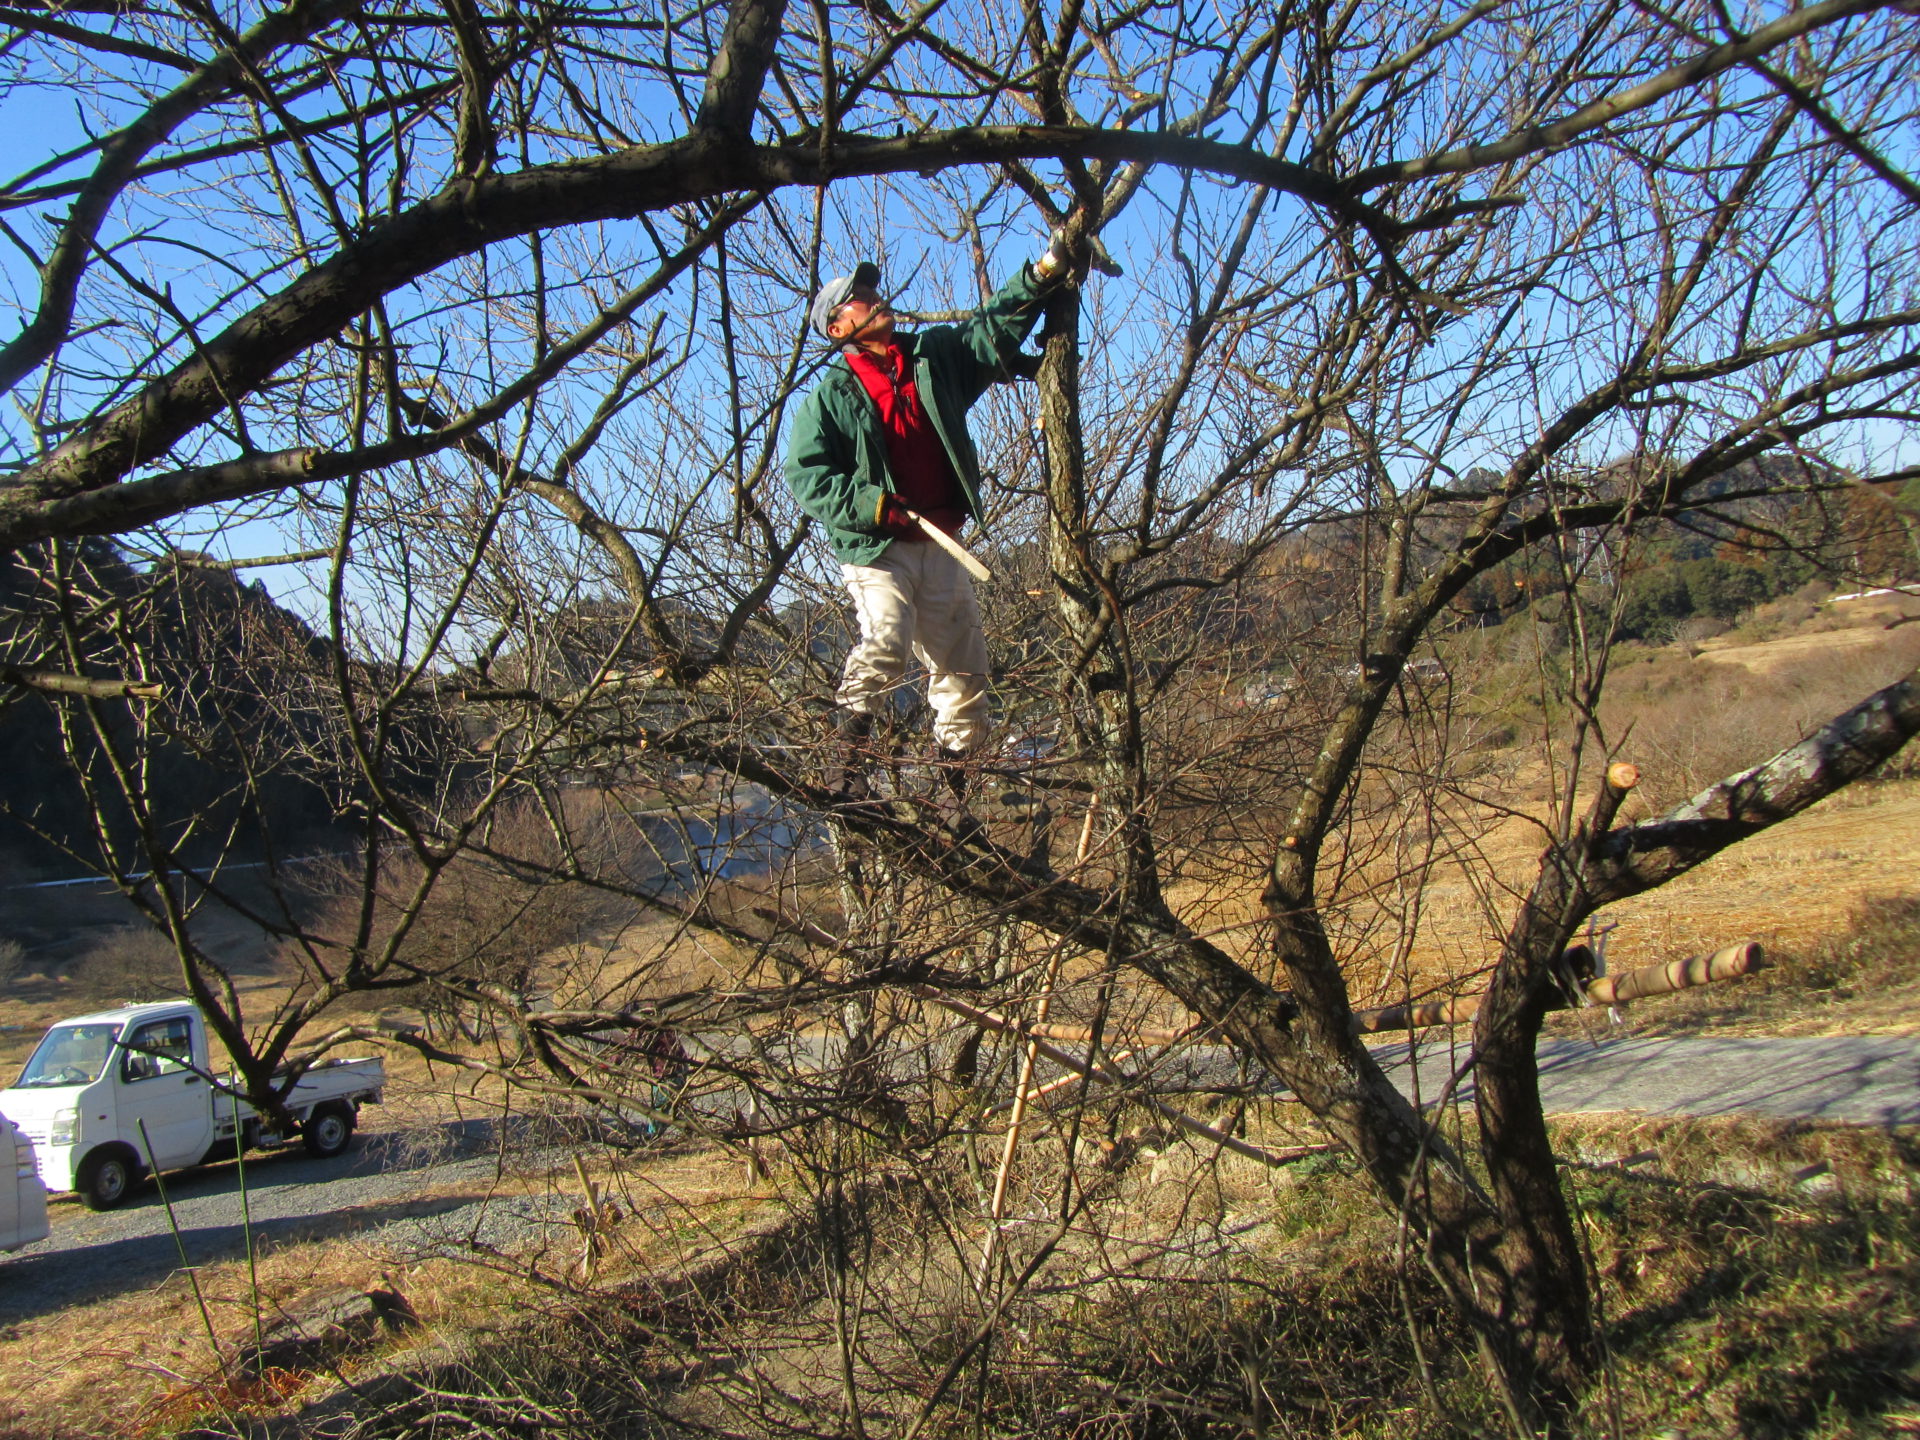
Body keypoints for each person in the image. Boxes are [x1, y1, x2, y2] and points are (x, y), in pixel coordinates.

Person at [785, 231, 1079, 831]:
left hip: (941, 538)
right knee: (886, 640)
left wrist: (1046, 270)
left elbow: (988, 330)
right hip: (877, 546)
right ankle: (846, 773)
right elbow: (806, 478)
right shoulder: (829, 399)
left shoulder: (930, 358)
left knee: (965, 667)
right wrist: (871, 504)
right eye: (859, 298)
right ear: (837, 330)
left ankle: (953, 802)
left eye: (872, 289)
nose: (875, 298)